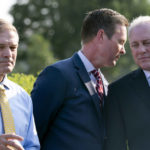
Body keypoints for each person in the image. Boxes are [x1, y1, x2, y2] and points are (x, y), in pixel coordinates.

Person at [31, 8, 128, 150]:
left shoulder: (105, 85)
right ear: (101, 35)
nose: (123, 50)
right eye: (120, 41)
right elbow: (32, 134)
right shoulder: (57, 75)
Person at [105, 16, 150, 150]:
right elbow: (114, 145)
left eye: (147, 42)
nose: (141, 50)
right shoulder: (118, 92)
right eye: (135, 45)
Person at [0, 19, 40, 150]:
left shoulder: (22, 97)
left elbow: (32, 146)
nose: (8, 54)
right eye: (0, 47)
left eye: (13, 48)